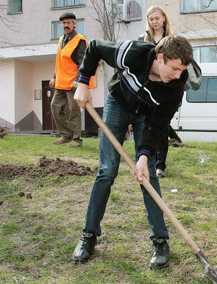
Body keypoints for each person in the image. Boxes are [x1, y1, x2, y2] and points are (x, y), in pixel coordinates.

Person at [71, 35, 194, 269]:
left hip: (146, 115)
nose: (179, 75)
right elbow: (95, 47)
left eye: (182, 69)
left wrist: (144, 156)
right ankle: (89, 236)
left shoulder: (176, 86)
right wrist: (83, 83)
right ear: (160, 57)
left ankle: (160, 241)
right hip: (118, 103)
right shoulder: (132, 53)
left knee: (148, 173)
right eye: (175, 68)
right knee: (107, 171)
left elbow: (158, 125)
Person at [139, 6, 200, 178]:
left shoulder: (172, 39)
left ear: (164, 18)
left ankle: (160, 165)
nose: (154, 21)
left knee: (162, 126)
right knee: (149, 124)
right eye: (151, 19)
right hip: (150, 89)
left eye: (157, 18)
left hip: (168, 89)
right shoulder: (144, 39)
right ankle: (145, 158)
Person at [50, 12, 95, 147]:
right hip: (61, 81)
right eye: (64, 23)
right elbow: (59, 61)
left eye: (68, 23)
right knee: (55, 106)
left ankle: (76, 138)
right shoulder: (61, 40)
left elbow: (83, 61)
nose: (66, 25)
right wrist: (54, 77)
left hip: (73, 82)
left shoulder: (80, 40)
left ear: (74, 24)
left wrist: (79, 80)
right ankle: (66, 135)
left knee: (74, 110)